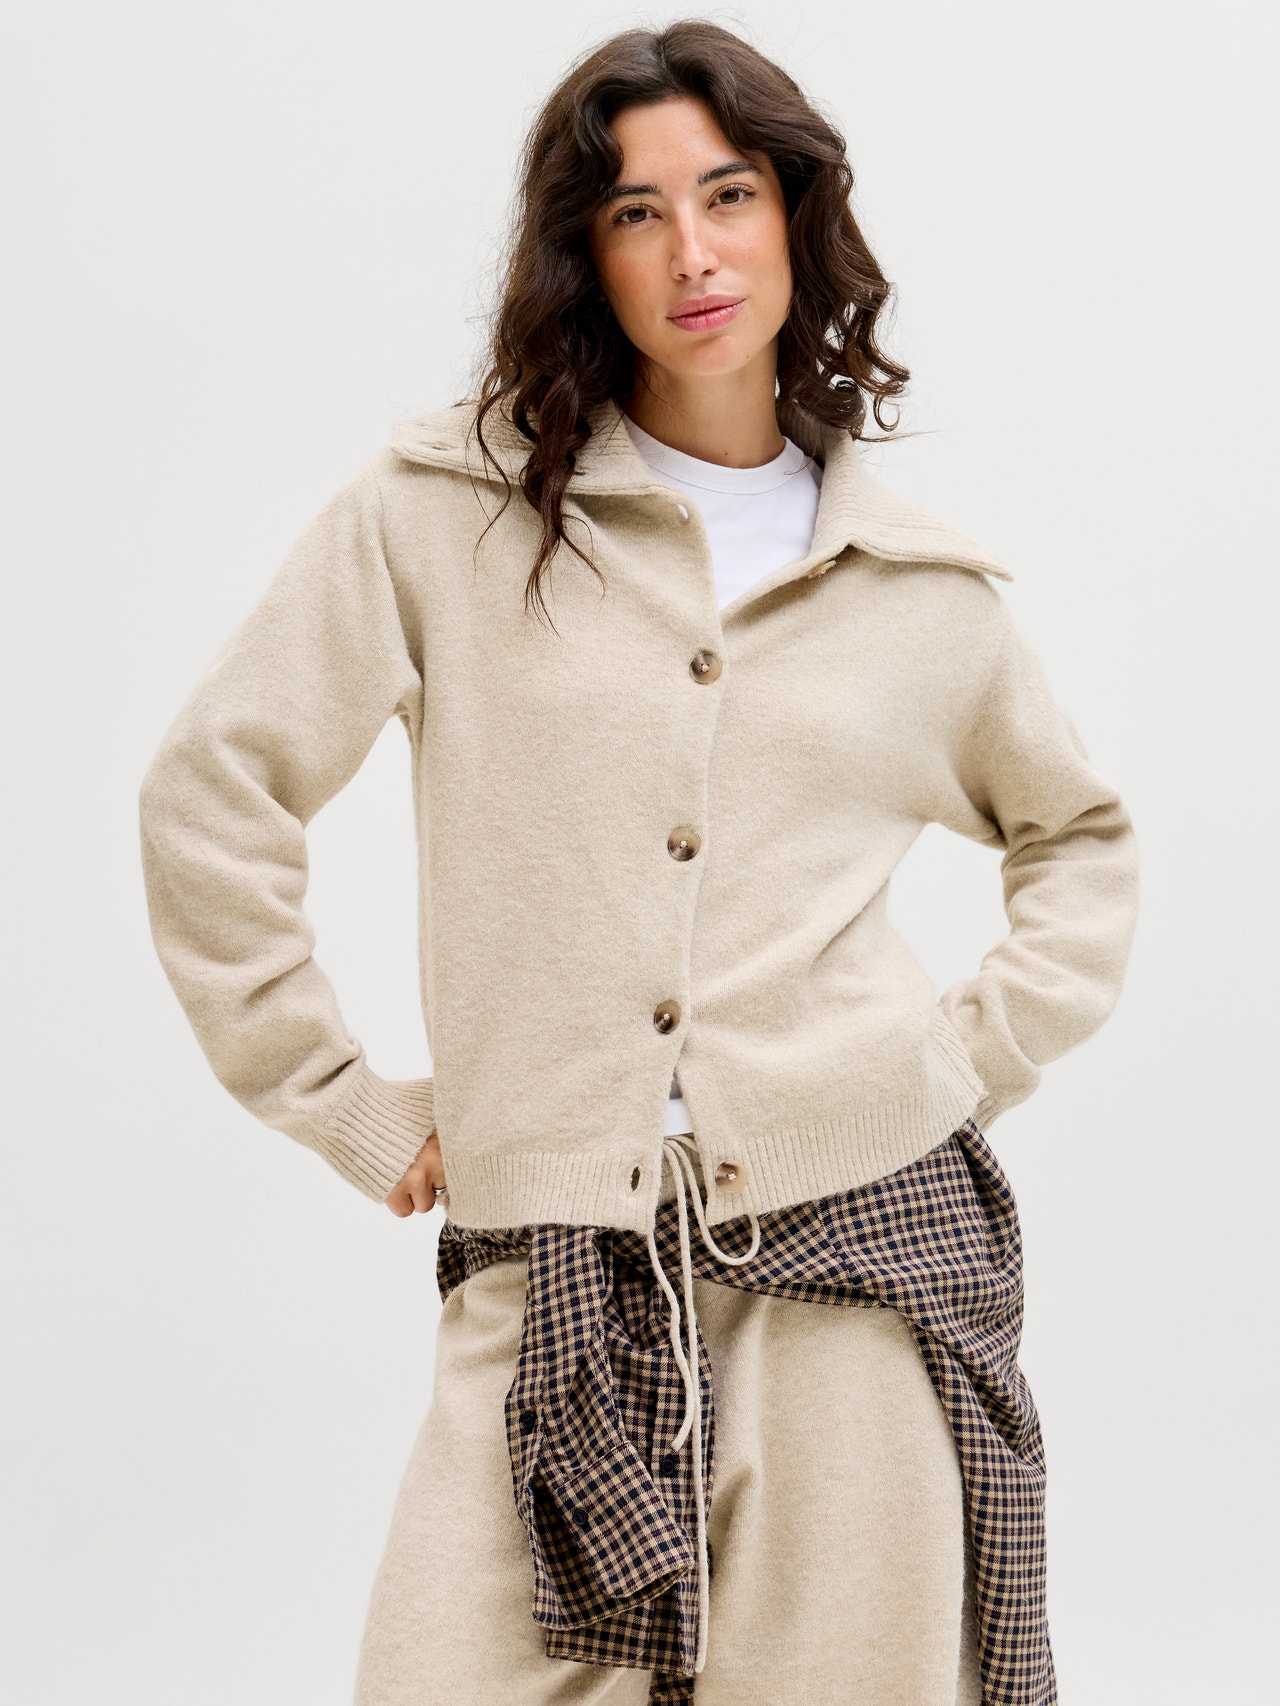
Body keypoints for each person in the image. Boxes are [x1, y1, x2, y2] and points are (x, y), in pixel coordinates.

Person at [137, 21, 1139, 1706]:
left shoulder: (913, 583)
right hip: (547, 1274)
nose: (692, 253)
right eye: (634, 212)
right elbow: (212, 789)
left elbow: (1080, 837)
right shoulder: (445, 510)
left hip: (858, 1275)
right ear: (581, 252)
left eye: (729, 195)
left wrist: (959, 1060)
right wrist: (337, 1093)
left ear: (795, 217)